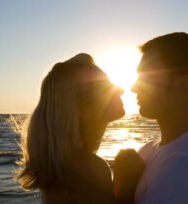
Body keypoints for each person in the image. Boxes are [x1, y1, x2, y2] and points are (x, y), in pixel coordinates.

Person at [15, 53, 143, 203]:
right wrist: (125, 189)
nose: (120, 89)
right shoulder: (88, 170)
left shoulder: (65, 166)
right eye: (106, 87)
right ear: (83, 109)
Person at [117, 32, 188, 204]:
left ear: (182, 84)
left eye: (147, 77)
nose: (134, 88)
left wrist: (123, 187)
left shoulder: (186, 165)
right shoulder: (149, 150)